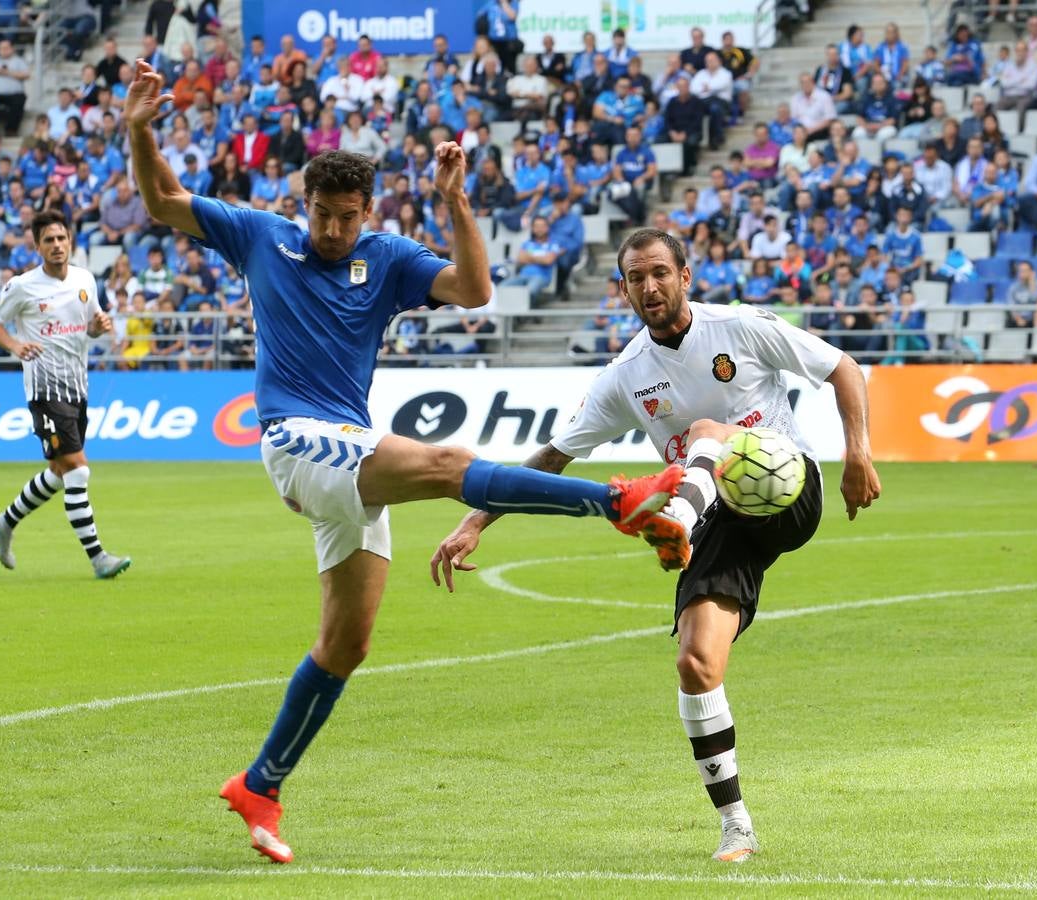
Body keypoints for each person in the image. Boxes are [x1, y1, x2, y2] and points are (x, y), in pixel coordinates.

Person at [122, 59, 686, 864]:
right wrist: (140, 132)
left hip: (348, 453)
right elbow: (163, 201)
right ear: (305, 205)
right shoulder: (260, 235)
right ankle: (616, 502)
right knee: (448, 463)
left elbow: (475, 290)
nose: (332, 231)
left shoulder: (384, 257)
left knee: (346, 645)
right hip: (296, 440)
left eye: (347, 218)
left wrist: (456, 202)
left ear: (369, 211)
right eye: (322, 215)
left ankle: (260, 785)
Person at [430, 227, 881, 865]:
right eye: (636, 278)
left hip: (787, 488)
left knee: (706, 431)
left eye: (660, 273)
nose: (650, 287)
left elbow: (843, 368)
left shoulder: (740, 327)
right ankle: (737, 827)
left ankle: (675, 518)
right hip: (720, 518)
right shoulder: (625, 376)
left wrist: (858, 453)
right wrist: (477, 520)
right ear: (623, 290)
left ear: (685, 276)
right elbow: (553, 456)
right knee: (696, 663)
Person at [0, 210, 129, 580]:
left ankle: (4, 522)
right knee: (78, 470)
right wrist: (15, 345)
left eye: (61, 238)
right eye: (49, 240)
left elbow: (91, 326)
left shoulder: (84, 279)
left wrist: (98, 327)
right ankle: (98, 558)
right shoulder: (22, 286)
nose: (57, 245)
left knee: (59, 472)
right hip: (45, 389)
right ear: (37, 246)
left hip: (78, 386)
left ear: (70, 241)